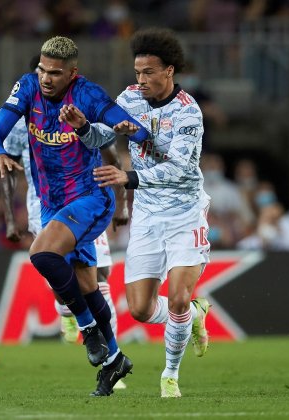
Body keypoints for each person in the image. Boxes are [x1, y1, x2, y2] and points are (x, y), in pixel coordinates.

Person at [0, 36, 149, 396]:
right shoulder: (28, 87)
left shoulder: (87, 95)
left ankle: (87, 328)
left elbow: (132, 130)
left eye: (55, 73)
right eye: (42, 70)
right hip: (51, 203)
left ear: (72, 73)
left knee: (42, 254)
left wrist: (129, 128)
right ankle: (114, 360)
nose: (46, 78)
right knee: (87, 285)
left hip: (90, 197)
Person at [58, 27, 212, 398]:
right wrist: (83, 127)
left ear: (169, 71)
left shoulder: (188, 112)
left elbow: (180, 168)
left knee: (177, 297)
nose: (140, 80)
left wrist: (129, 177)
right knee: (141, 309)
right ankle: (195, 314)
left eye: (148, 72)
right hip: (147, 215)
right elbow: (103, 138)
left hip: (184, 212)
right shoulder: (129, 98)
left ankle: (170, 376)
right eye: (137, 72)